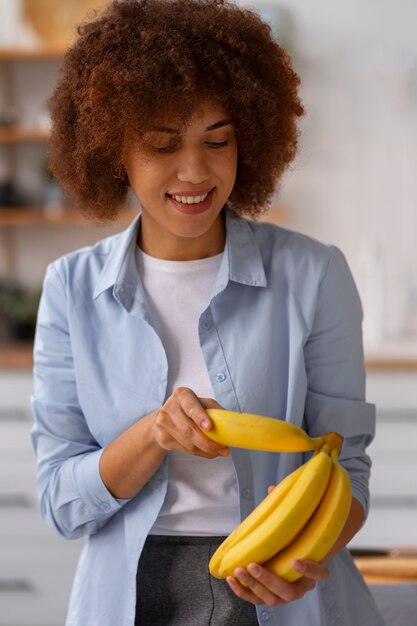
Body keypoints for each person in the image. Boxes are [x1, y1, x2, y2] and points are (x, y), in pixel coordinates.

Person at [31, 1, 384, 625]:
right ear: (115, 150)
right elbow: (62, 501)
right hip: (131, 594)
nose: (194, 172)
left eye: (217, 140)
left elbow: (346, 468)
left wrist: (304, 556)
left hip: (279, 584)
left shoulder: (314, 274)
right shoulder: (70, 288)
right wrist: (152, 433)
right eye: (162, 145)